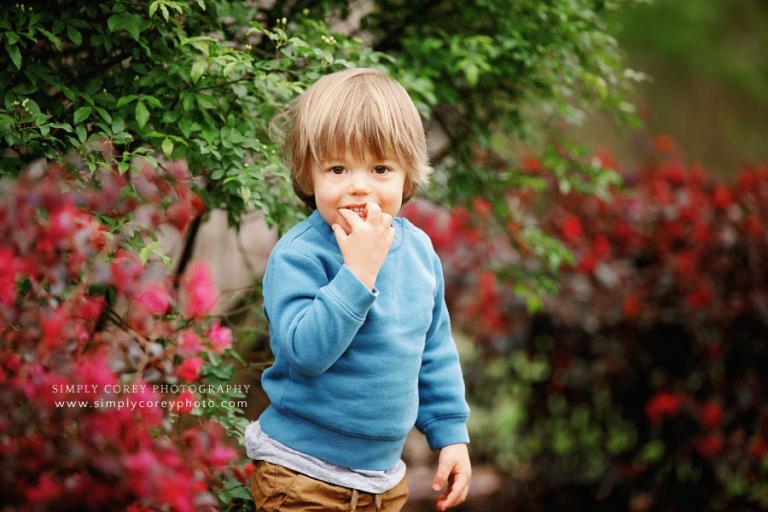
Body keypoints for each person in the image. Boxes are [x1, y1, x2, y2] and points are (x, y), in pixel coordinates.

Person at [245, 67, 471, 512]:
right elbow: (306, 353)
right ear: (308, 175)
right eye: (337, 168)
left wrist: (450, 435)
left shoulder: (419, 253)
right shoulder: (300, 257)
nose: (359, 186)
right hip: (300, 474)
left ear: (408, 174)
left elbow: (434, 349)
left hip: (383, 483)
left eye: (381, 168)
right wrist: (357, 274)